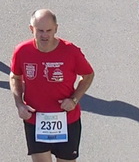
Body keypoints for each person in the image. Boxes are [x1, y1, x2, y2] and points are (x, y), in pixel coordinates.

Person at [11, 9, 95, 162]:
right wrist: (19, 104)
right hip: (35, 119)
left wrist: (74, 99)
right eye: (40, 31)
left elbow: (88, 75)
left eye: (49, 30)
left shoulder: (70, 51)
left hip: (66, 120)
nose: (45, 35)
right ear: (31, 29)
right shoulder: (22, 51)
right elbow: (15, 76)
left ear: (56, 28)